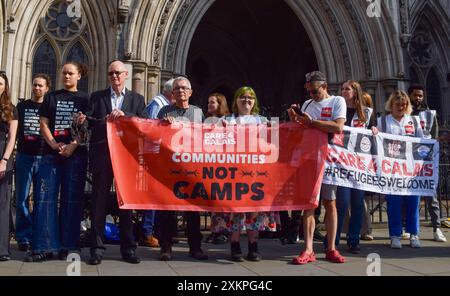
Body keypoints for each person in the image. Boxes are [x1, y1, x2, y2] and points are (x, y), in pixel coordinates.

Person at [82, 60, 146, 265]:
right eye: (111, 73)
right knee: (98, 204)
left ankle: (128, 249)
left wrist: (125, 116)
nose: (115, 76)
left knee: (126, 204)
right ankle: (97, 249)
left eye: (118, 73)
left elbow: (143, 124)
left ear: (126, 74)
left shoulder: (137, 99)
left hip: (126, 158)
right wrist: (83, 120)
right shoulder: (97, 97)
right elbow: (90, 122)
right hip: (103, 155)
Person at [26, 62, 89, 262]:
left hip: (75, 155)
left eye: (71, 73)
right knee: (45, 199)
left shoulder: (85, 98)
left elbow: (87, 127)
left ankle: (68, 246)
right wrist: (54, 144)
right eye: (64, 73)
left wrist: (72, 145)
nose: (66, 76)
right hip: (51, 155)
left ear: (79, 75)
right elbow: (42, 124)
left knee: (72, 201)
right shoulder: (51, 97)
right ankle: (43, 246)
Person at [288, 71, 346, 265]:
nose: (312, 95)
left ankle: (331, 248)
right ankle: (308, 248)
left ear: (324, 86)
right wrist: (295, 119)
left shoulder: (337, 101)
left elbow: (338, 127)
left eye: (314, 91)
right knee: (309, 204)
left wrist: (312, 122)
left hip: (330, 158)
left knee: (330, 202)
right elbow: (302, 130)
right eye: (309, 92)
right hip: (310, 158)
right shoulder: (307, 105)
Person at [223, 86, 278, 262]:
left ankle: (253, 246)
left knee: (254, 210)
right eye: (243, 97)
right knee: (235, 210)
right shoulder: (227, 120)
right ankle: (235, 245)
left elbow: (277, 138)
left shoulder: (262, 120)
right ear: (236, 100)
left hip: (257, 173)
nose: (247, 100)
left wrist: (274, 128)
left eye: (250, 97)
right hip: (234, 173)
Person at [156, 76, 207, 261]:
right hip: (170, 169)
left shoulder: (198, 113)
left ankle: (195, 247)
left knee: (193, 210)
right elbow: (155, 135)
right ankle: (166, 246)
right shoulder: (164, 111)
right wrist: (163, 124)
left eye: (184, 88)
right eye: (177, 89)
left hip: (192, 168)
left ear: (191, 92)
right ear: (172, 93)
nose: (180, 91)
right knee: (168, 210)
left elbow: (205, 138)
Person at [372, 90, 424, 249]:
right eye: (397, 104)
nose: (401, 107)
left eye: (404, 104)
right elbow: (377, 143)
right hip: (392, 169)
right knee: (394, 202)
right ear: (391, 105)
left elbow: (422, 142)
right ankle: (395, 235)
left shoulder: (414, 121)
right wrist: (374, 134)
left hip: (411, 169)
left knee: (413, 202)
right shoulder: (383, 121)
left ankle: (414, 234)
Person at [335, 81, 376, 254]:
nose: (344, 91)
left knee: (358, 203)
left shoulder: (366, 113)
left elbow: (373, 132)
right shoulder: (338, 109)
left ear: (355, 91)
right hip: (342, 163)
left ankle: (354, 240)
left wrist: (374, 130)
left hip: (359, 165)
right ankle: (334, 239)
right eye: (342, 89)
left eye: (347, 89)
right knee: (342, 202)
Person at [15, 74, 51, 252]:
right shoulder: (21, 107)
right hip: (24, 156)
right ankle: (23, 237)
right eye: (35, 85)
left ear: (47, 88)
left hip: (44, 157)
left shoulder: (49, 107)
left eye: (41, 86)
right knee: (21, 198)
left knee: (41, 199)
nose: (37, 88)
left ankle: (37, 235)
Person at [408, 84, 446, 242]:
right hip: (408, 161)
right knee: (410, 197)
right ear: (409, 95)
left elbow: (434, 136)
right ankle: (409, 229)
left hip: (425, 161)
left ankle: (437, 228)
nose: (418, 98)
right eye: (415, 95)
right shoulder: (405, 113)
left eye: (420, 96)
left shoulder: (429, 115)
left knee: (432, 196)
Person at [141, 78, 175, 248]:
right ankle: (148, 232)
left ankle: (162, 232)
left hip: (165, 156)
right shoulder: (158, 103)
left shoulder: (168, 105)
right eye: (175, 90)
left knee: (162, 196)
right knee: (153, 196)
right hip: (154, 155)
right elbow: (152, 128)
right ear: (169, 91)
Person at [204, 93, 231, 244]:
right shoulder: (206, 121)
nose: (209, 105)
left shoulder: (226, 121)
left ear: (220, 104)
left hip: (223, 165)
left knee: (222, 200)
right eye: (208, 102)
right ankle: (215, 231)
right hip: (210, 164)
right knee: (212, 201)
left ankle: (223, 231)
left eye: (212, 102)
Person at [0, 72, 18, 261]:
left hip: (2, 156)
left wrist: (4, 160)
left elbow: (12, 137)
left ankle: (2, 249)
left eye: (0, 84)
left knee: (3, 204)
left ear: (5, 87)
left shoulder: (11, 109)